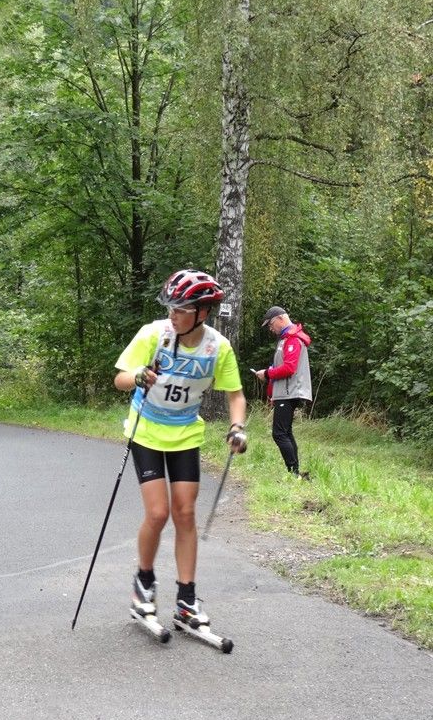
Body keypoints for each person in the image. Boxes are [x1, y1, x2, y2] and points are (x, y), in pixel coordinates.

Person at [114, 269, 247, 630]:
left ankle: (186, 600)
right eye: (170, 307)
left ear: (202, 313)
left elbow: (235, 395)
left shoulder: (217, 347)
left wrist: (237, 427)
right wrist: (138, 376)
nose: (173, 314)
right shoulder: (153, 334)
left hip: (185, 433)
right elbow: (119, 378)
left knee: (185, 514)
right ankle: (143, 585)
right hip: (146, 430)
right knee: (158, 513)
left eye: (182, 309)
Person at [254, 306, 312, 479]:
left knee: (279, 433)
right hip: (285, 392)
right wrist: (273, 390)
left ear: (280, 318)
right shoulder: (285, 338)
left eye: (271, 324)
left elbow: (289, 368)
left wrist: (267, 373)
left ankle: (293, 473)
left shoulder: (292, 339)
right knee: (285, 432)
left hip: (289, 392)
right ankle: (295, 473)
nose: (270, 329)